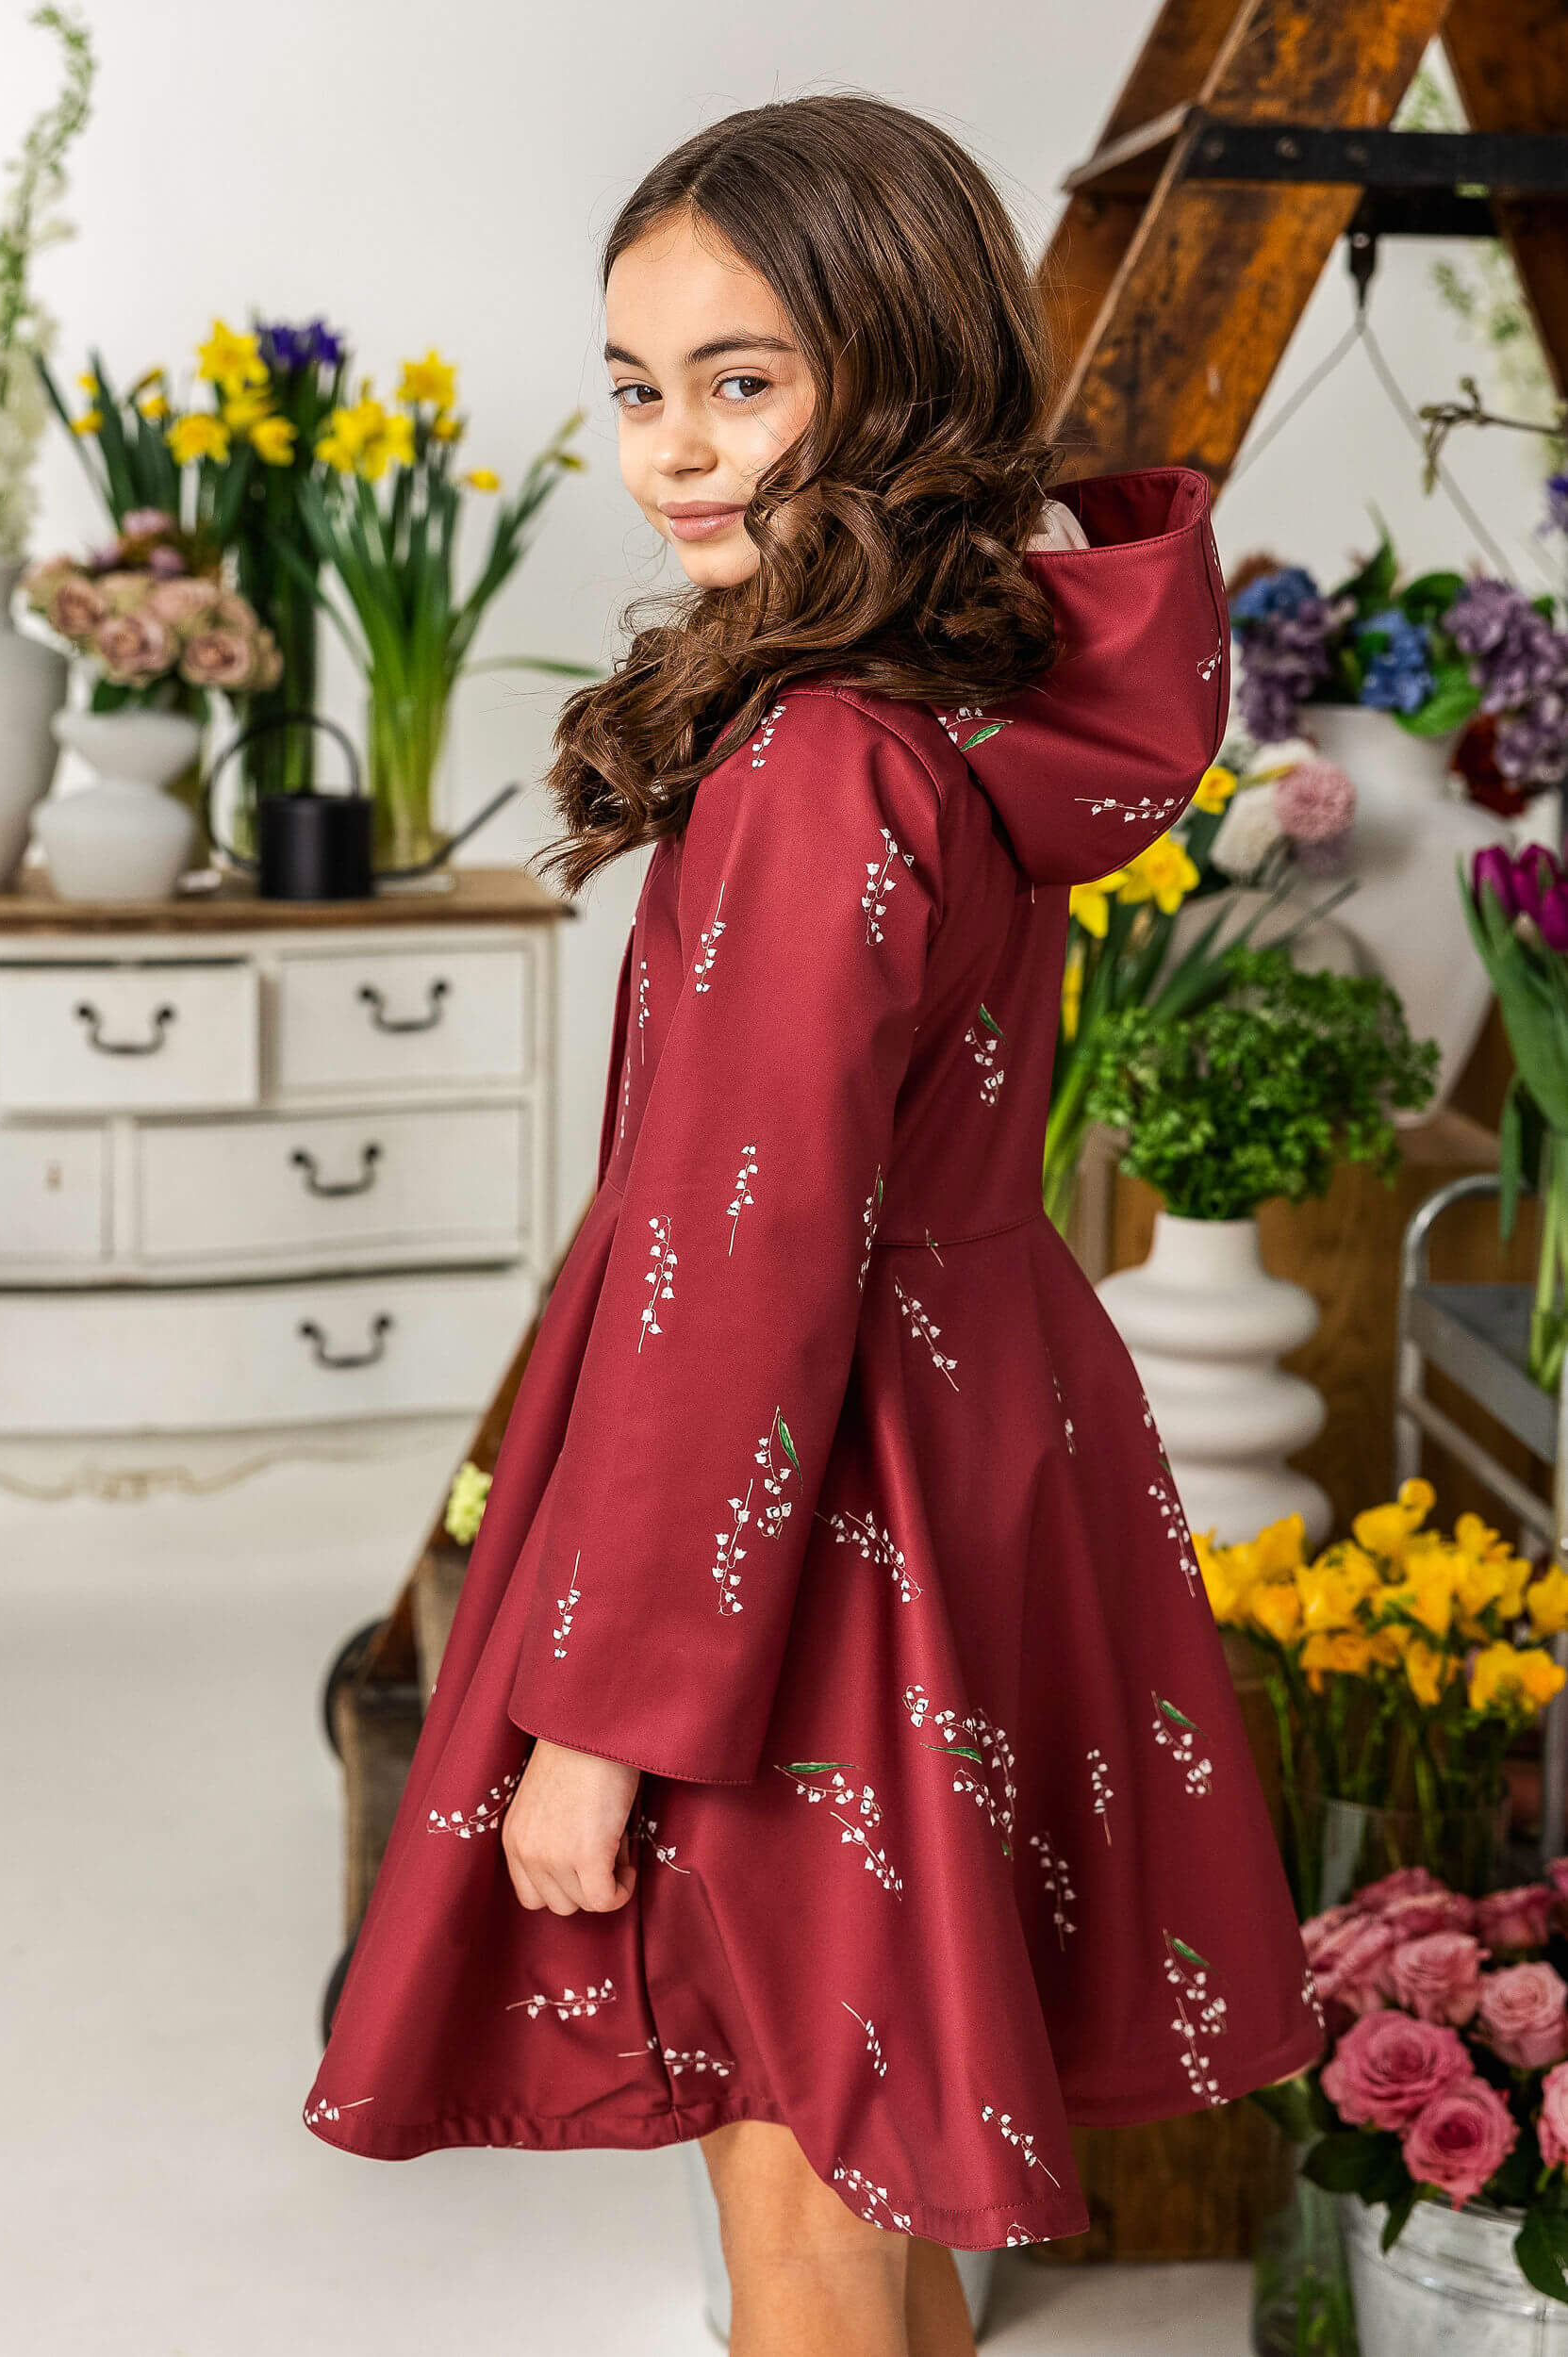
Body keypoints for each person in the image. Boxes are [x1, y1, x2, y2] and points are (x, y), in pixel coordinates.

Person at [304, 92, 1324, 2357]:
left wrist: (606, 1717)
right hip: (939, 1485)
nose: (677, 449)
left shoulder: (813, 766)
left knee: (802, 2228)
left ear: (900, 378)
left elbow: (733, 1267)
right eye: (643, 388)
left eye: (743, 381)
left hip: (801, 1564)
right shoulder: (951, 715)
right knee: (867, 2196)